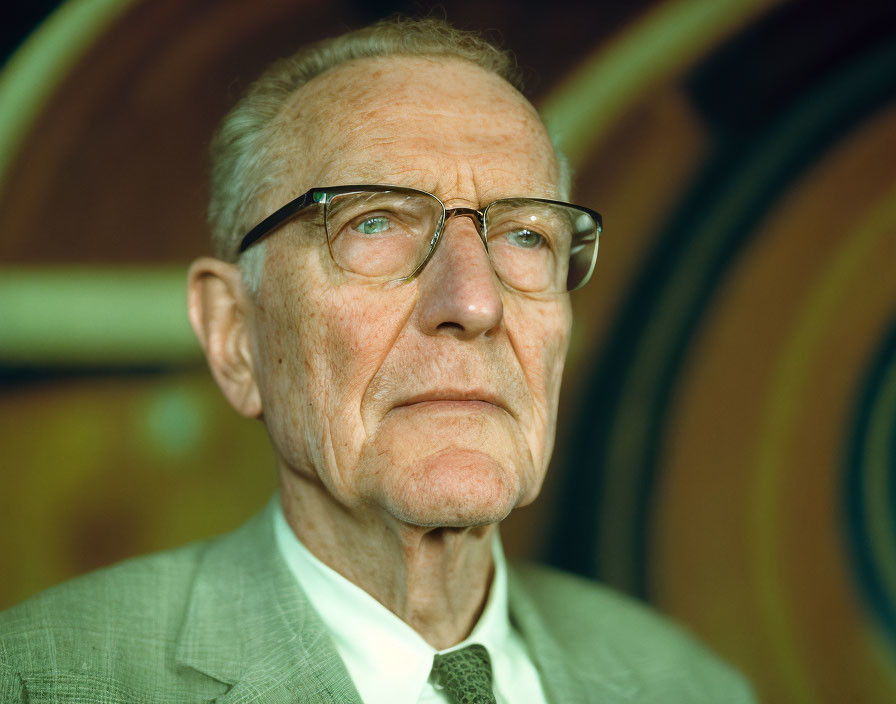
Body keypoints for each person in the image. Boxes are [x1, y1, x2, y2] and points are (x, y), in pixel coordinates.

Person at [0, 17, 754, 703]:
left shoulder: (687, 685)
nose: (475, 301)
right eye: (375, 223)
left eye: (527, 236)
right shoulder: (44, 681)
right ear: (234, 334)